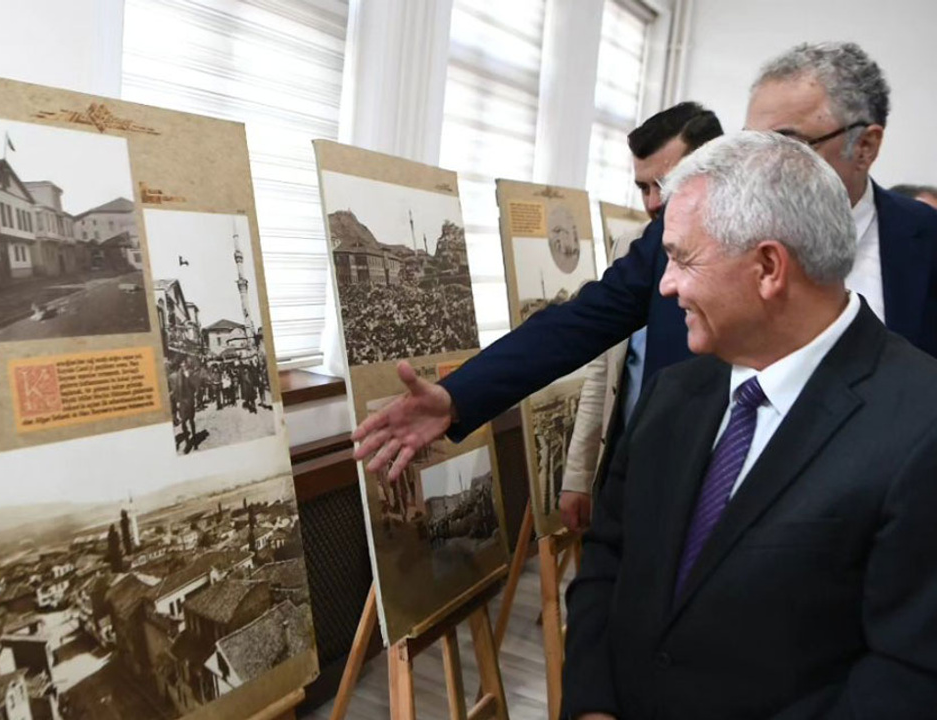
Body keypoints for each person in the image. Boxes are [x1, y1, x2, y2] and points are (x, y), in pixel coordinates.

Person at [354, 41, 937, 483]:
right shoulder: (685, 232)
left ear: (866, 145)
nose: (760, 164)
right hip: (692, 501)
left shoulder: (923, 246)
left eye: (785, 143)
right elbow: (581, 322)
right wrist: (461, 395)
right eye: (750, 142)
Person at [563, 130, 937, 720]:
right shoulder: (673, 394)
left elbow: (907, 673)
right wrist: (592, 706)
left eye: (683, 258)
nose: (666, 285)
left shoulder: (921, 426)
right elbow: (609, 559)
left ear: (768, 267)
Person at [560, 102, 723, 532]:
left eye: (663, 186)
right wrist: (578, 474)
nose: (653, 203)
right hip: (623, 460)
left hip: (697, 474)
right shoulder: (628, 250)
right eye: (642, 188)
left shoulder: (733, 262)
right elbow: (603, 371)